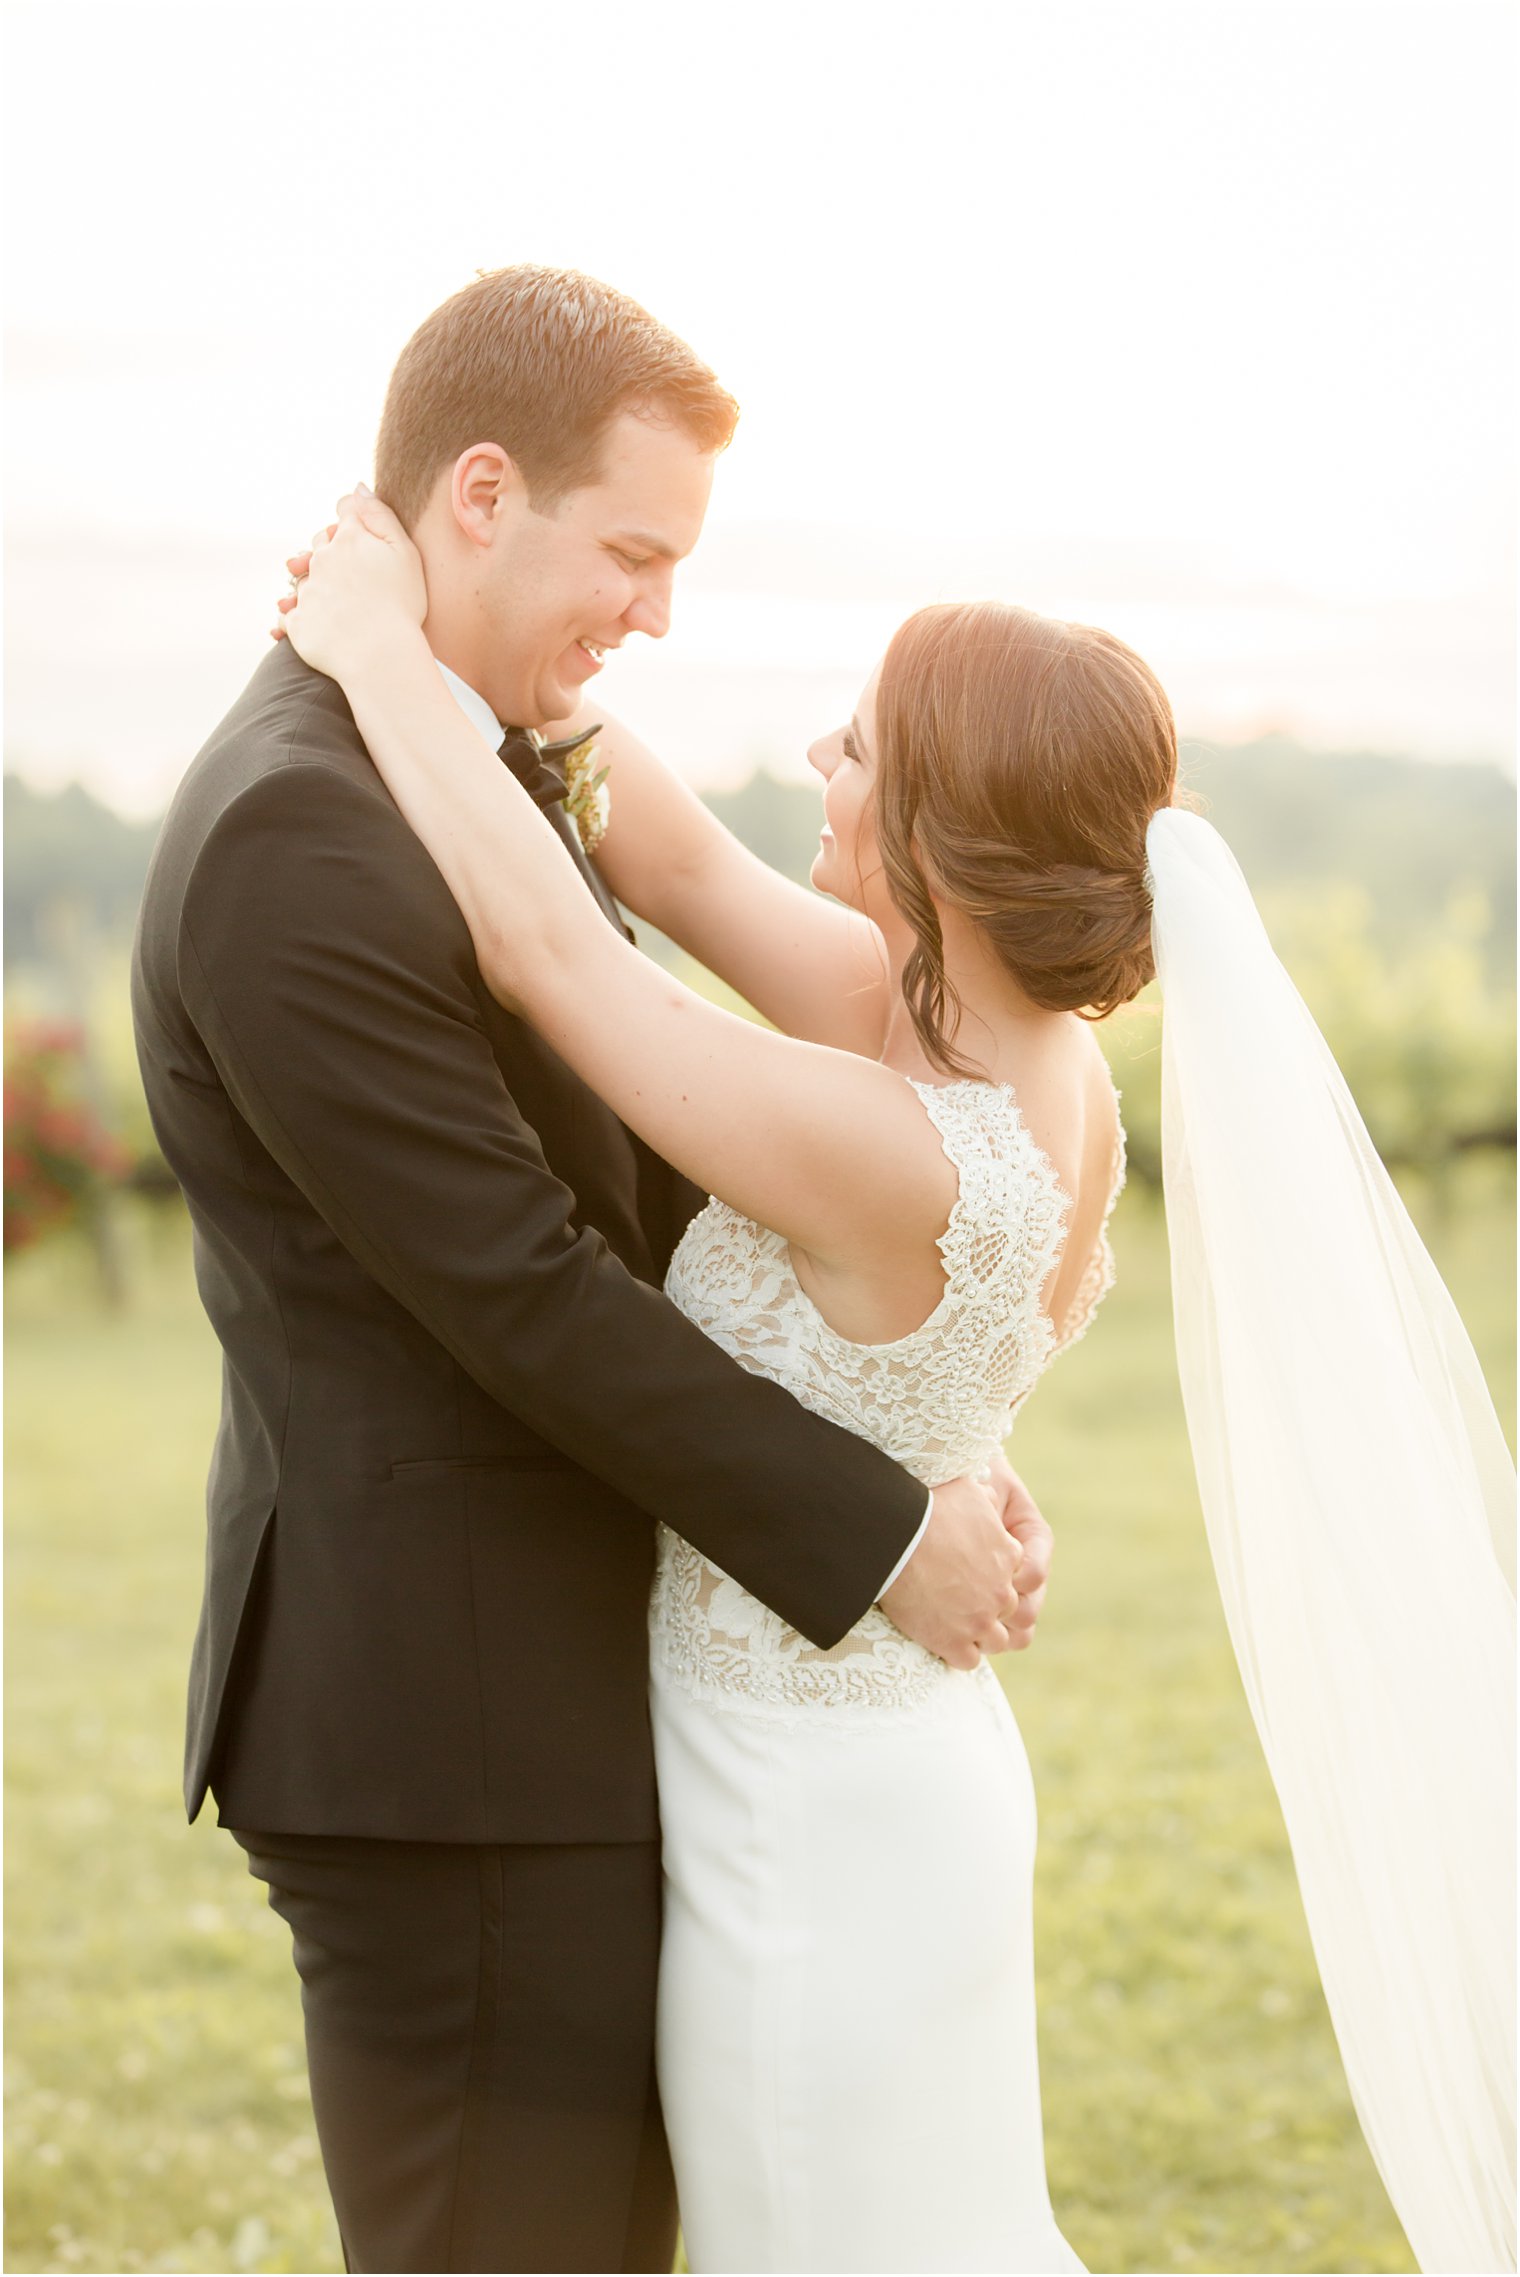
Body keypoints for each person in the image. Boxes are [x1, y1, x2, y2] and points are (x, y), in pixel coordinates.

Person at [281, 493, 1515, 2277]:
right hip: (898, 1764)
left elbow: (552, 955)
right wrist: (522, 645)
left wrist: (377, 648)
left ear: (932, 837)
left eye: (854, 743)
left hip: (808, 1820)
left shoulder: (898, 1142)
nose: (815, 756)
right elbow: (679, 869)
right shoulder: (1008, 1052)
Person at [130, 266, 1049, 2277]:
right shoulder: (306, 830)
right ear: (477, 496)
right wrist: (882, 1524)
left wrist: (910, 1398)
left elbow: (651, 1095)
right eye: (632, 551)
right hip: (444, 1734)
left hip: (559, 1701)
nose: (655, 610)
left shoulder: (456, 766)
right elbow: (526, 1286)